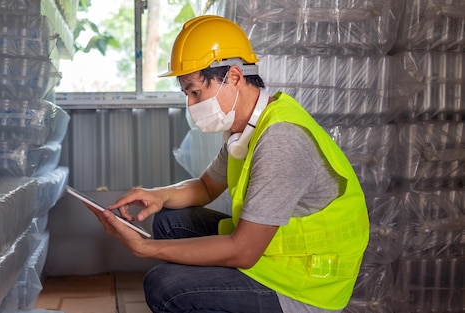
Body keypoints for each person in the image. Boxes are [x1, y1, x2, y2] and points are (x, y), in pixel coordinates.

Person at [85, 15, 370, 313]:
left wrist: (144, 249)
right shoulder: (245, 130)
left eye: (196, 91)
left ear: (234, 77)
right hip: (268, 256)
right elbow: (207, 186)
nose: (192, 105)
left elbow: (243, 251)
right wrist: (157, 195)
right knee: (170, 220)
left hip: (303, 284)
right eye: (187, 94)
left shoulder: (280, 139)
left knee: (164, 285)